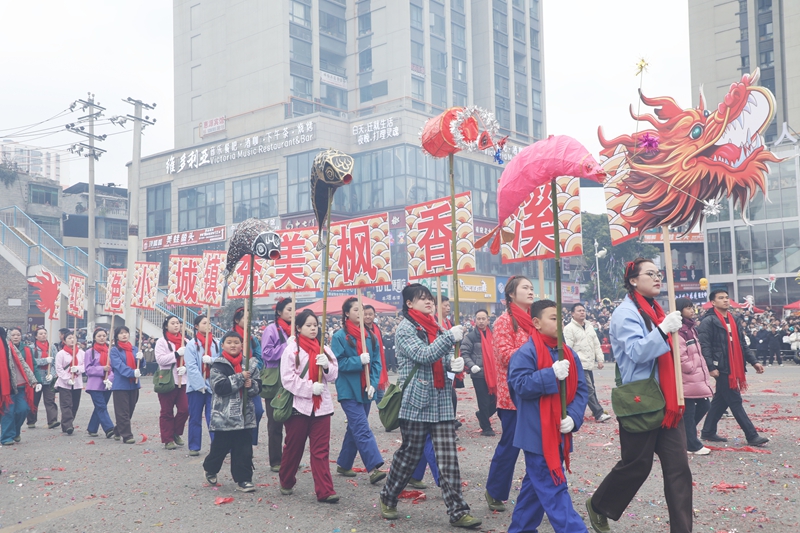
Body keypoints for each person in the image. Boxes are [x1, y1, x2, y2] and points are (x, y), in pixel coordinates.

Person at [586, 258, 693, 533]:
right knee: (637, 465)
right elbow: (637, 352)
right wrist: (663, 330)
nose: (657, 278)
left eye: (658, 274)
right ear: (633, 280)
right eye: (650, 274)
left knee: (679, 469)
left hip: (668, 401)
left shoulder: (657, 310)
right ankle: (599, 505)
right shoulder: (625, 313)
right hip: (641, 401)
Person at [378, 284, 480, 528]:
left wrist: (452, 365)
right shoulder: (405, 329)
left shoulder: (436, 326)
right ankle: (388, 496)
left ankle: (458, 511)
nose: (428, 302)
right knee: (410, 454)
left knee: (448, 457)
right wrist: (448, 338)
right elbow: (423, 355)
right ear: (409, 304)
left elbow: (441, 356)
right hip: (416, 400)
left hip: (441, 399)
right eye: (421, 299)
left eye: (430, 299)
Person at [506, 299, 588, 533]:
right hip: (536, 432)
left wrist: (574, 417)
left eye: (560, 317)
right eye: (553, 318)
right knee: (554, 488)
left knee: (535, 487)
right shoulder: (526, 352)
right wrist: (549, 375)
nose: (559, 322)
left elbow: (581, 389)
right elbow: (519, 386)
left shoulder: (568, 352)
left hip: (560, 430)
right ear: (536, 322)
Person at [278, 309, 340, 502]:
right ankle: (286, 480)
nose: (313, 329)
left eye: (315, 325)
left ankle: (325, 491)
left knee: (320, 450)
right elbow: (287, 379)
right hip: (299, 406)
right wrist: (310, 388)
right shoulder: (291, 350)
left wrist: (328, 366)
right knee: (293, 447)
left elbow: (334, 375)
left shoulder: (324, 348)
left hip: (322, 407)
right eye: (309, 325)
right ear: (298, 327)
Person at [485, 276, 535, 512]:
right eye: (525, 287)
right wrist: (536, 354)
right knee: (510, 446)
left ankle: (539, 494)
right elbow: (505, 355)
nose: (530, 291)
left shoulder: (536, 320)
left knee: (538, 447)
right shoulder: (504, 321)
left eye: (532, 287)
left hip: (536, 391)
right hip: (512, 395)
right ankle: (494, 490)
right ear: (512, 295)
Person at [698, 289, 769, 446]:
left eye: (726, 297)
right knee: (735, 400)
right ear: (713, 302)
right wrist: (710, 366)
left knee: (721, 400)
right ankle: (752, 435)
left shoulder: (734, 319)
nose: (725, 300)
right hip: (721, 367)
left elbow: (742, 344)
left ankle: (708, 431)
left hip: (734, 364)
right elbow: (705, 346)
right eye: (721, 298)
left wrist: (754, 361)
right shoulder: (708, 321)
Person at [332, 297, 386, 484]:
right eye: (356, 309)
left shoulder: (370, 335)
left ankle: (344, 463)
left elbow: (377, 361)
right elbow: (337, 363)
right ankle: (373, 467)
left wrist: (373, 382)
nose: (360, 313)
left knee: (354, 428)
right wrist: (358, 361)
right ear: (347, 313)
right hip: (348, 389)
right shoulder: (339, 336)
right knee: (362, 428)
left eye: (362, 309)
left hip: (366, 389)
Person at [202, 331, 260, 493]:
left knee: (244, 449)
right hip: (224, 417)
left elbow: (258, 386)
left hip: (245, 416)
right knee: (220, 447)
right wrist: (240, 378)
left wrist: (252, 385)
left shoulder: (250, 364)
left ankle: (244, 479)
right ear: (222, 346)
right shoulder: (218, 365)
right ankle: (211, 468)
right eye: (229, 342)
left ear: (242, 345)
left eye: (236, 342)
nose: (233, 345)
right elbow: (220, 387)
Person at [675, 298, 712, 455]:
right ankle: (692, 444)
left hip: (696, 376)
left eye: (692, 307)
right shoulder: (680, 330)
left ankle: (684, 436)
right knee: (689, 412)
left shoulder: (691, 328)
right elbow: (680, 355)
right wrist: (691, 366)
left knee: (704, 405)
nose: (692, 310)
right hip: (687, 376)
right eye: (688, 308)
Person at [260, 298, 293, 471]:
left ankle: (290, 458)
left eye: (294, 309)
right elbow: (266, 354)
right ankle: (275, 460)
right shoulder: (271, 330)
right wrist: (286, 346)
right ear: (279, 312)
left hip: (291, 380)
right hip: (274, 380)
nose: (292, 312)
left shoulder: (296, 330)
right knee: (275, 423)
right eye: (289, 309)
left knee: (293, 422)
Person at [564, 303, 611, 423]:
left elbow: (596, 343)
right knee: (588, 389)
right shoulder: (569, 329)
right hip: (578, 364)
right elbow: (568, 348)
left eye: (583, 310)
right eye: (579, 311)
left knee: (590, 388)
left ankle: (570, 410)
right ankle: (598, 413)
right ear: (572, 314)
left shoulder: (589, 326)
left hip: (589, 363)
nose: (582, 312)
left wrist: (600, 359)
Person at [185, 315, 220, 456]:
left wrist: (212, 360)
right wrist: (199, 384)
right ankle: (194, 446)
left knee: (214, 417)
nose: (208, 325)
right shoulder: (192, 344)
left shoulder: (216, 343)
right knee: (195, 417)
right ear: (196, 326)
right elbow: (191, 366)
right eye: (204, 323)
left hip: (213, 385)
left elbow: (222, 359)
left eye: (209, 323)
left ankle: (217, 445)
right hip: (196, 388)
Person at [155, 315, 190, 450]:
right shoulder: (162, 342)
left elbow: (193, 360)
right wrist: (176, 354)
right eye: (173, 323)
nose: (176, 325)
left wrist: (186, 367)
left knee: (185, 409)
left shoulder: (186, 341)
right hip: (167, 379)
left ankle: (175, 432)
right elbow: (160, 360)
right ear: (166, 326)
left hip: (184, 379)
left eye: (178, 323)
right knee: (166, 411)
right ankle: (167, 439)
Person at [461, 309, 498, 436]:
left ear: (488, 320)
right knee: (483, 401)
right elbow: (464, 353)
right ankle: (486, 427)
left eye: (483, 319)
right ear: (474, 320)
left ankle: (482, 415)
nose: (481, 321)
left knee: (496, 400)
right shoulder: (471, 337)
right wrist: (472, 366)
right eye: (479, 319)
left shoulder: (494, 334)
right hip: (479, 374)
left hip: (494, 373)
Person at [232, 306, 265, 447]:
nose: (248, 321)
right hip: (235, 379)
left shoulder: (252, 339)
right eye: (245, 318)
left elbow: (259, 357)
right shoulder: (230, 337)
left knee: (257, 411)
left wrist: (253, 369)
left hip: (251, 379)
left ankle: (249, 441)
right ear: (237, 320)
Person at [0, 327, 39, 445]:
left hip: (21, 384)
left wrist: (34, 380)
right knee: (8, 412)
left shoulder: (18, 348)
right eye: (13, 335)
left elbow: (23, 363)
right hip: (7, 387)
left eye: (18, 334)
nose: (16, 337)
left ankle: (15, 432)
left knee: (23, 409)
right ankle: (6, 437)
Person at [110, 326, 145, 444]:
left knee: (130, 410)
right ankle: (127, 435)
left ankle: (117, 430)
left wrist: (142, 358)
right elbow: (118, 366)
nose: (124, 335)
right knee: (122, 411)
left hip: (134, 384)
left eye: (126, 333)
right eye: (121, 333)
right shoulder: (115, 350)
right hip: (121, 385)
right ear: (117, 336)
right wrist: (131, 372)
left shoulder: (134, 349)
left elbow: (140, 364)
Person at [83, 329, 115, 439]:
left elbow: (113, 369)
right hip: (95, 385)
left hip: (107, 384)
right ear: (94, 338)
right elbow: (87, 369)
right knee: (101, 406)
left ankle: (92, 428)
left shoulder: (110, 351)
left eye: (104, 335)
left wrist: (110, 378)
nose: (102, 337)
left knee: (100, 407)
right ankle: (109, 428)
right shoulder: (90, 352)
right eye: (99, 335)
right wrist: (102, 369)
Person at [27, 327, 59, 430]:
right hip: (37, 378)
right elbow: (32, 361)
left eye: (45, 333)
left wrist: (53, 374)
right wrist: (45, 360)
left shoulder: (52, 347)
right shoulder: (31, 348)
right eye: (40, 334)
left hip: (49, 378)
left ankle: (52, 420)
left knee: (50, 400)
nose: (43, 335)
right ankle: (31, 421)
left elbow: (55, 363)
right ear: (36, 336)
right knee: (34, 400)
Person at [55, 332, 85, 436]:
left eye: (74, 338)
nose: (72, 340)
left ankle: (67, 423)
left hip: (77, 382)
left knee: (75, 404)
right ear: (64, 341)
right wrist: (67, 379)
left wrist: (77, 369)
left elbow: (85, 366)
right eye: (69, 338)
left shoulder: (81, 353)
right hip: (64, 383)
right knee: (66, 404)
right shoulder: (61, 354)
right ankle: (68, 425)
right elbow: (59, 369)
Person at [363, 305, 389, 405]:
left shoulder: (376, 328)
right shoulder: (360, 330)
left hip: (378, 365)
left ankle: (386, 419)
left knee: (381, 399)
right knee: (365, 400)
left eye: (370, 314)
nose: (368, 316)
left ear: (374, 315)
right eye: (365, 314)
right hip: (366, 366)